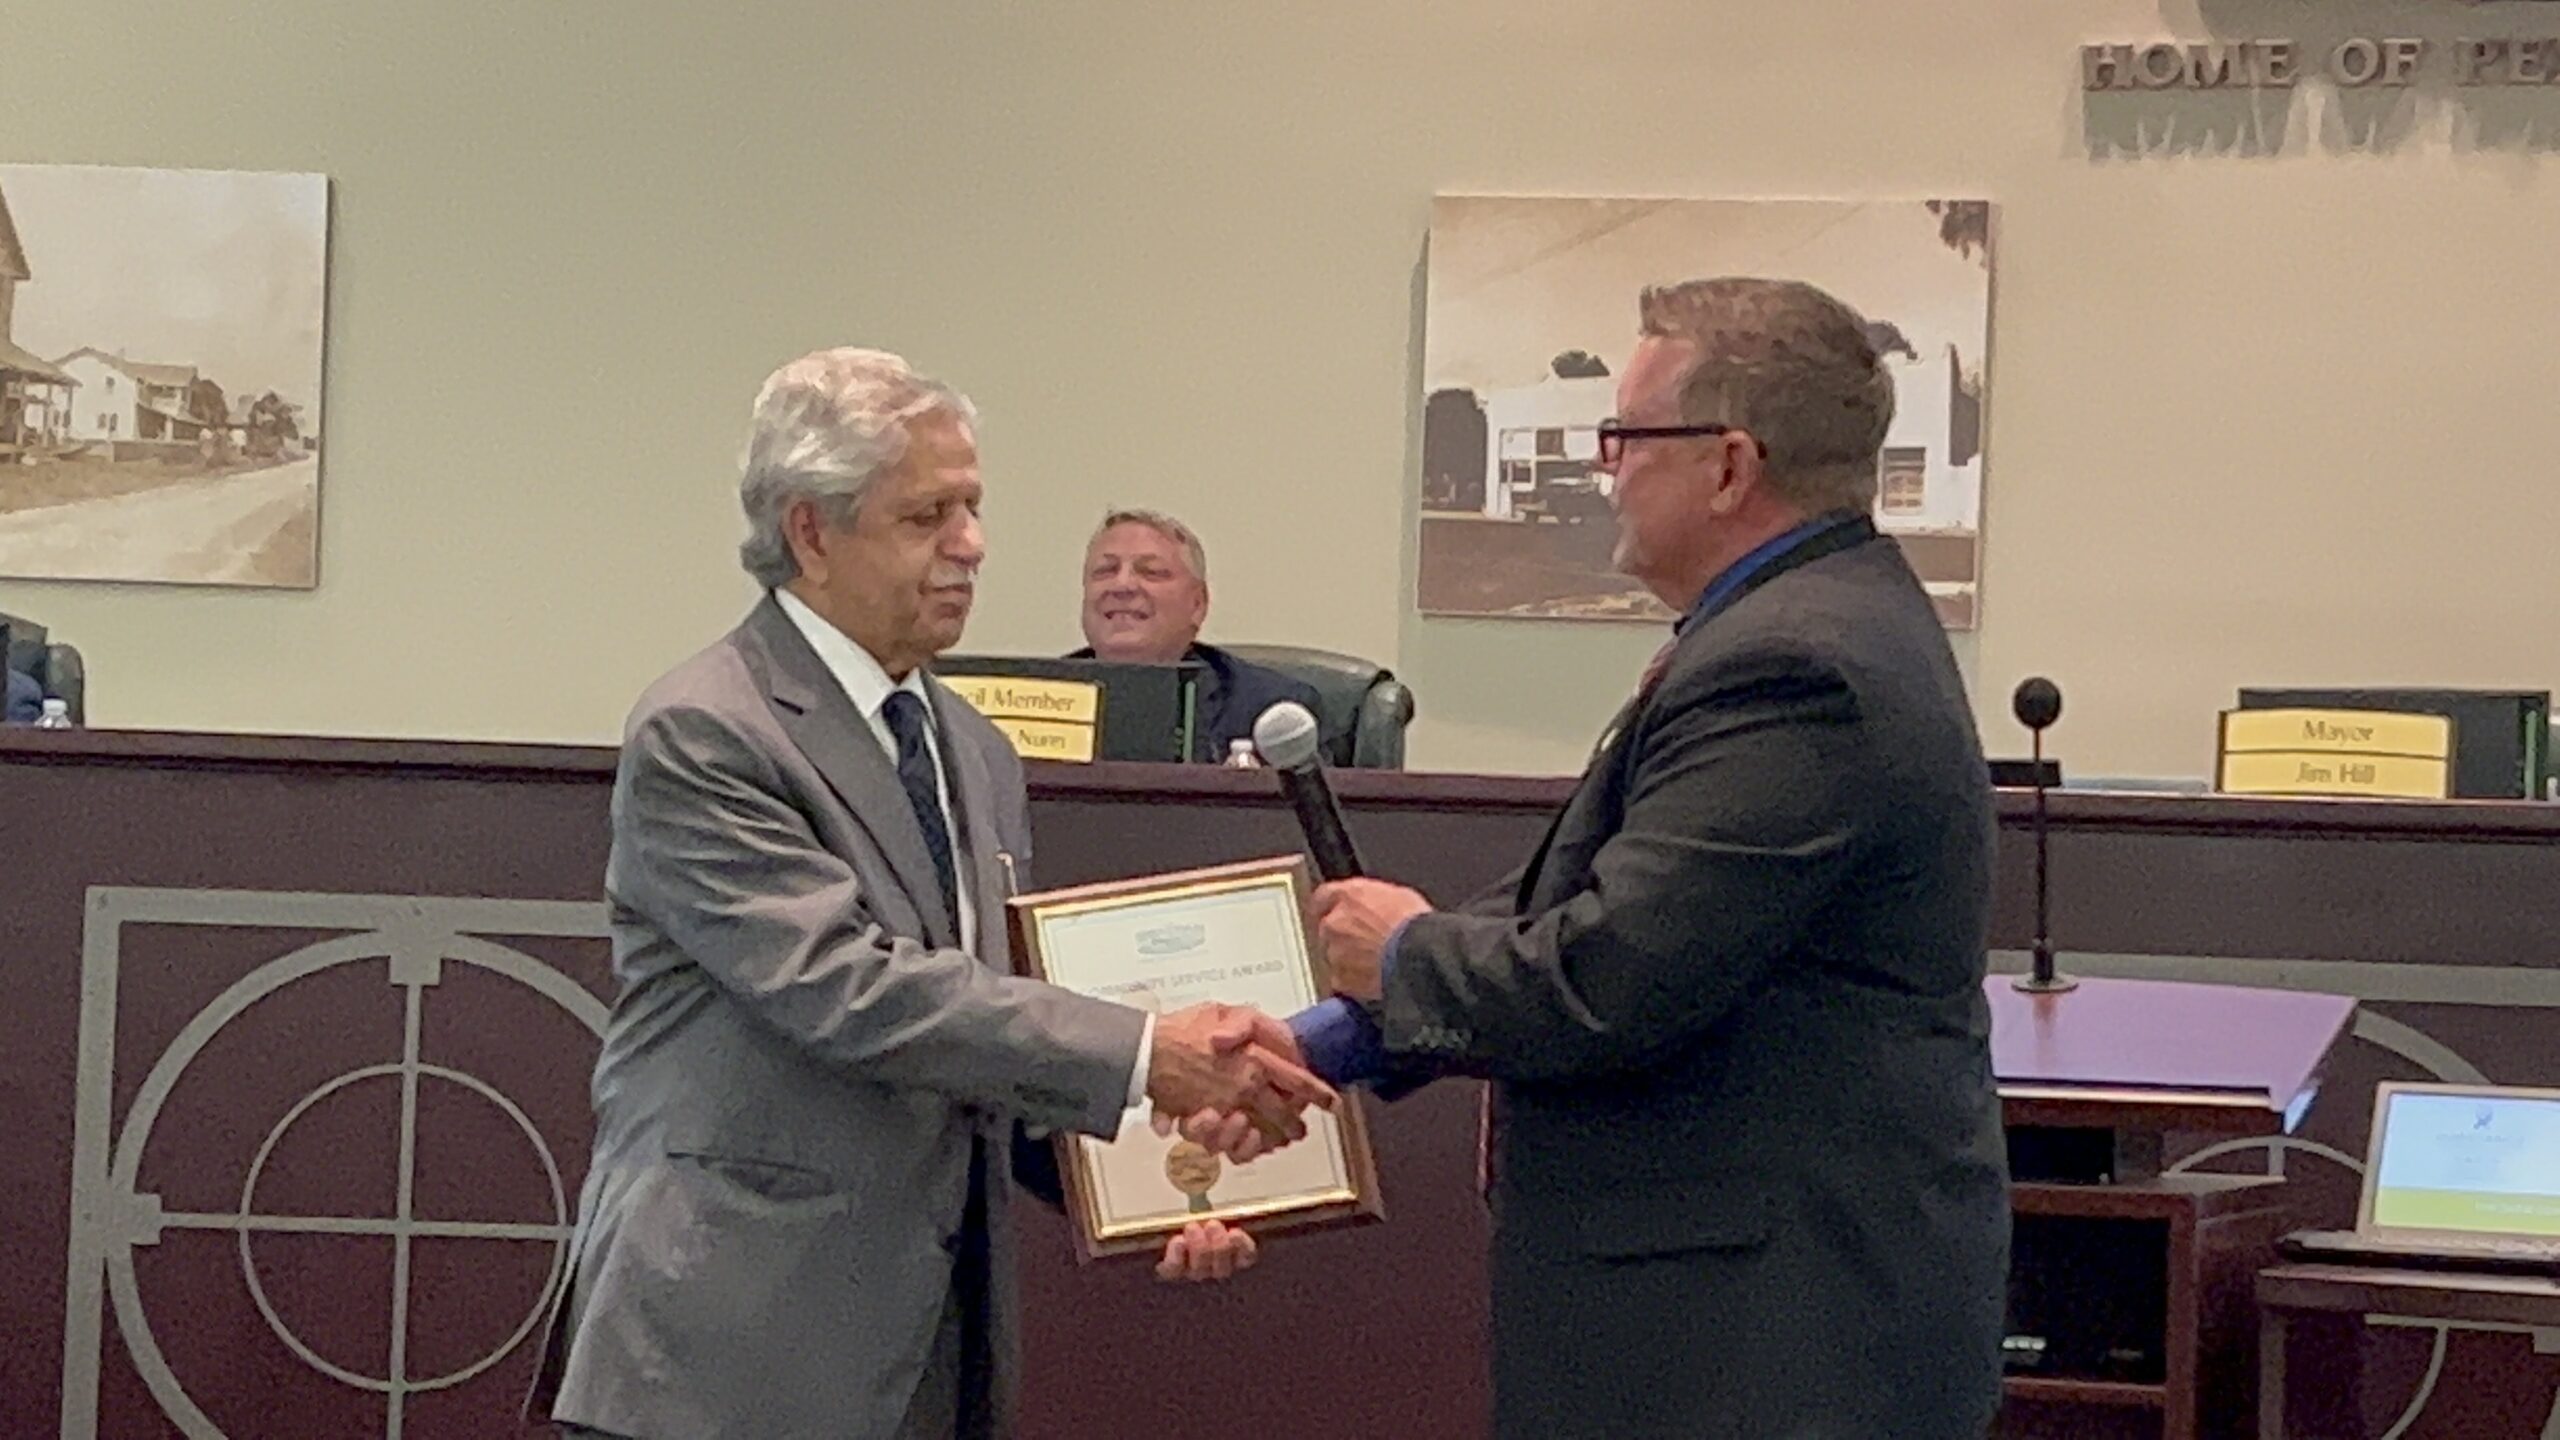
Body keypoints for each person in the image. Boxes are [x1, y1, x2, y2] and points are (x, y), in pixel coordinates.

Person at [1202, 278, 2010, 1438]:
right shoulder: (1801, 625)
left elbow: (1610, 973)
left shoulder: (1796, 668)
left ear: (1728, 466)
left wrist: (1410, 956)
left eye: (1624, 437)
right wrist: (1329, 1037)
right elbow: (1588, 896)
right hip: (1738, 1324)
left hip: (1759, 1342)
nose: (1604, 469)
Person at [528, 348, 1331, 1440]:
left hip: (931, 1353)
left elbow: (978, 1030)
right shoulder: (708, 730)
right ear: (811, 532)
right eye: (926, 516)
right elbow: (852, 993)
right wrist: (1153, 1058)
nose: (972, 544)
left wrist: (1168, 1185)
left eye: (973, 508)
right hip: (732, 1355)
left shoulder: (972, 747)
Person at [1068, 508, 1322, 761]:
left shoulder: (1275, 712)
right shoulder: (1048, 692)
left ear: (1197, 605)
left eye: (1151, 572)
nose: (1122, 585)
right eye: (1105, 571)